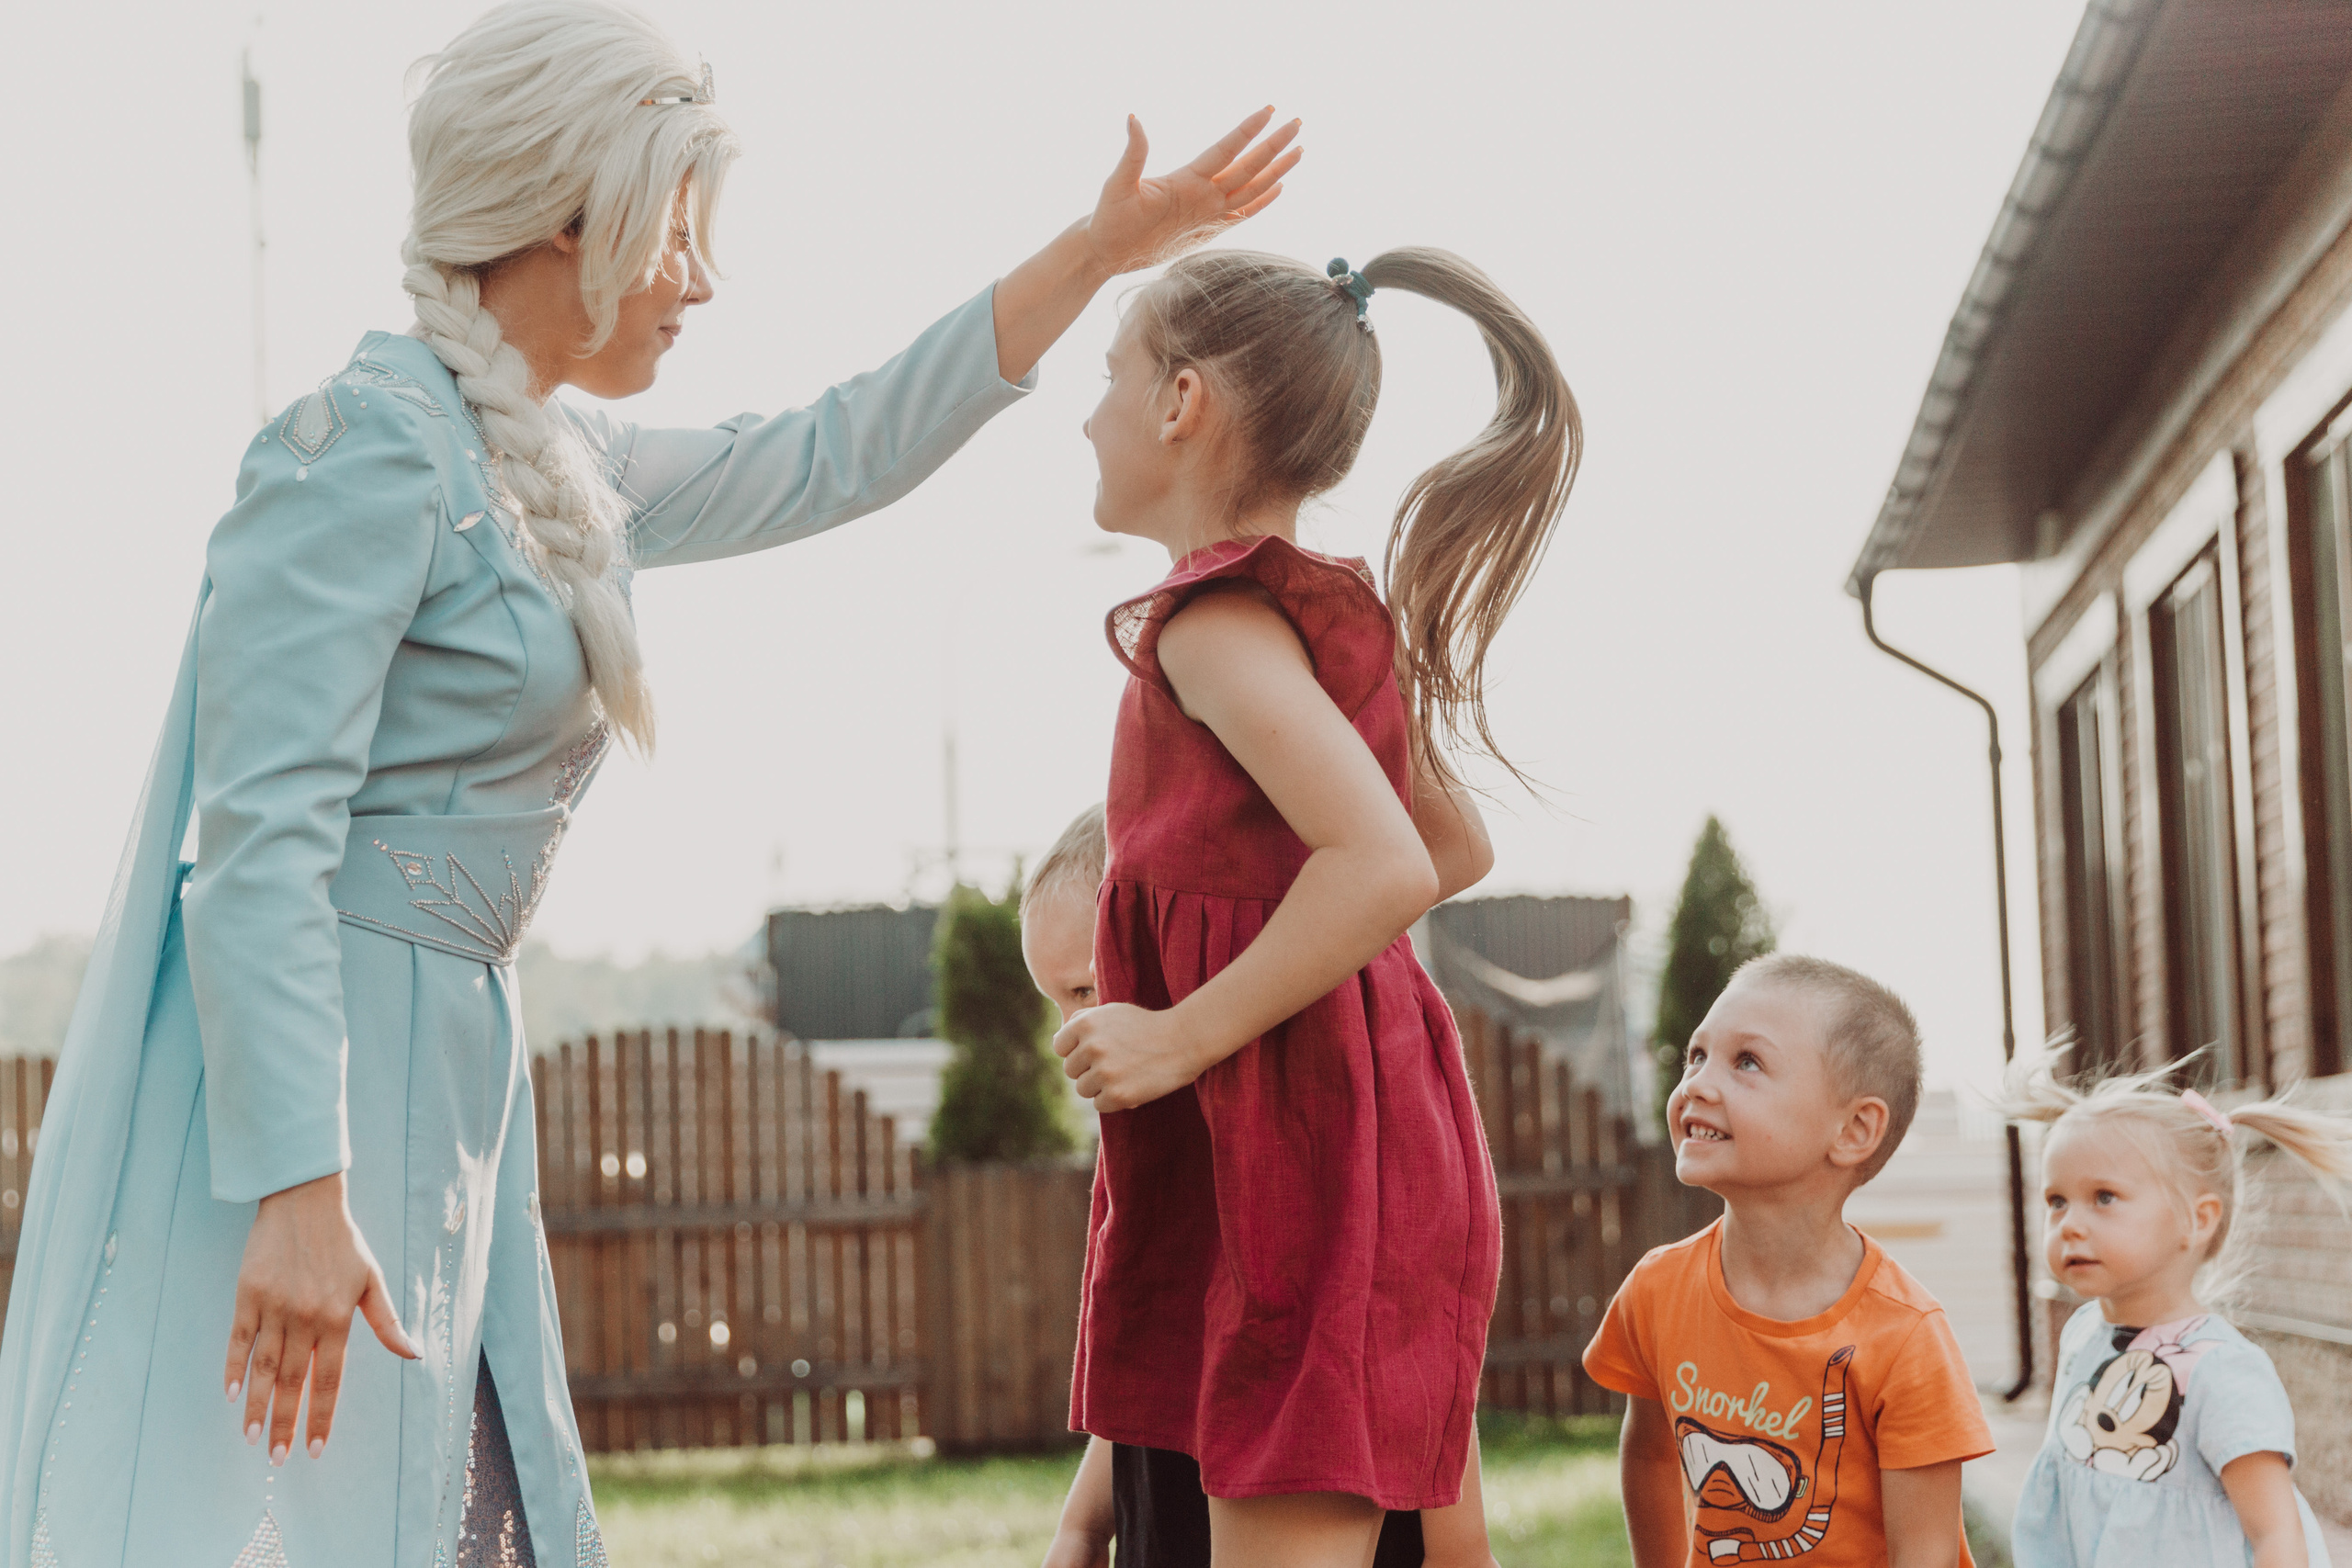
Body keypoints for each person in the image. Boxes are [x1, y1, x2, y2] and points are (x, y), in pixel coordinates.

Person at [0, 2, 1302, 1561]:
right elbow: (261, 841)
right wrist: (293, 1184)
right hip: (313, 1098)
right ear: (574, 217)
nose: (700, 276)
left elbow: (838, 447)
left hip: (458, 1067)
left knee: (474, 1507)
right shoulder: (357, 448)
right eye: (682, 229)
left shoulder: (561, 464)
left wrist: (1099, 250)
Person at [1051, 246, 1579, 1568]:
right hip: (1309, 1124)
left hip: (1300, 1142)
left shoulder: (1212, 625)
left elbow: (1395, 864)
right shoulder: (1286, 616)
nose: (1086, 410)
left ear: (1181, 402)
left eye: (1108, 372)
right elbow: (1447, 838)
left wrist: (1185, 1031)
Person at [1020, 804, 1441, 1568]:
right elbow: (1154, 1371)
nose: (1066, 1034)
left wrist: (1465, 1551)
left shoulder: (1305, 1175)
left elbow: (1414, 1352)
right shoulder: (1165, 1176)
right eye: (1056, 1002)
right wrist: (1081, 1529)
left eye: (1084, 991)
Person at [1586, 953, 1994, 1568]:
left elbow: (1926, 1554)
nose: (1696, 1082)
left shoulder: (1906, 1338)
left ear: (1854, 1129)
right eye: (1697, 1055)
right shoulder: (1657, 1289)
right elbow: (1651, 1454)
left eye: (1746, 1061)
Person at [1999, 1050, 2351, 1568]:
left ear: (2197, 1219)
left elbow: (2276, 1533)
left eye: (2104, 1197)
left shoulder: (2221, 1370)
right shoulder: (2081, 1333)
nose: (2070, 1223)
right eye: (2057, 1201)